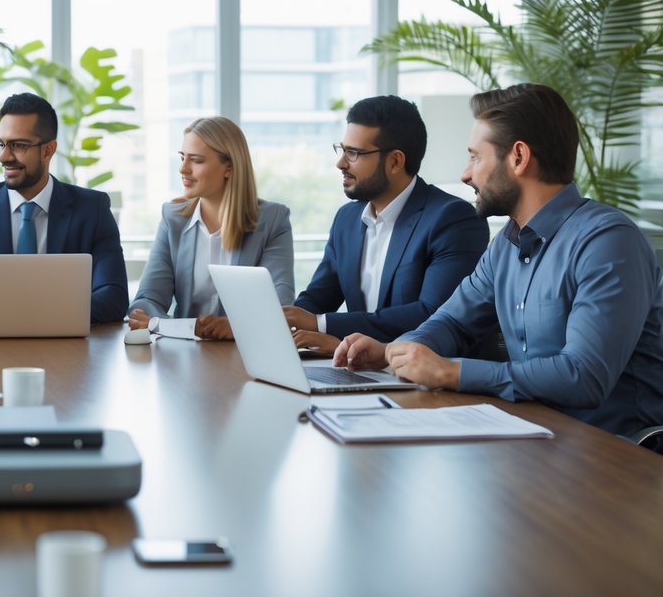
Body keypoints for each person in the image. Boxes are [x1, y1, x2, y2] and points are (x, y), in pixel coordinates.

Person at [336, 83, 663, 436]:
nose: (465, 173)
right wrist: (397, 352)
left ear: (518, 158)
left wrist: (450, 372)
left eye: (475, 156)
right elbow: (452, 322)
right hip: (534, 435)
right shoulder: (506, 244)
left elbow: (583, 376)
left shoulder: (607, 242)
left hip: (617, 454)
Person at [285, 95, 490, 355]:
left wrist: (320, 324)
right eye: (341, 149)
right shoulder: (346, 219)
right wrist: (287, 321)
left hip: (420, 378)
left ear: (395, 161)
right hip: (352, 367)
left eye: (354, 153)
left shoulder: (453, 219)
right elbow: (317, 298)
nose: (340, 163)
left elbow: (432, 314)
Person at [0, 93, 128, 325]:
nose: (4, 156)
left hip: (68, 352)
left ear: (48, 150)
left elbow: (113, 297)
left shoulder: (92, 210)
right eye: (1, 144)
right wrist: (25, 312)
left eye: (18, 145)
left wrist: (26, 313)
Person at [127, 116, 293, 340]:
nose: (183, 169)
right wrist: (180, 329)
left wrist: (234, 327)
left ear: (229, 167)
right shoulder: (173, 218)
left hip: (246, 357)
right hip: (184, 354)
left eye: (196, 160)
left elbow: (280, 307)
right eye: (182, 157)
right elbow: (145, 302)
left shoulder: (273, 220)